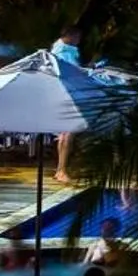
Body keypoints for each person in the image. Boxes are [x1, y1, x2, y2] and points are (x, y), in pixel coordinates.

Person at [53, 23, 84, 182]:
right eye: (78, 37)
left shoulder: (60, 51)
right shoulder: (65, 53)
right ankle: (62, 170)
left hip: (64, 96)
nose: (79, 40)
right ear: (70, 36)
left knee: (64, 134)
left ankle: (60, 169)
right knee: (68, 134)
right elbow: (71, 73)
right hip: (69, 96)